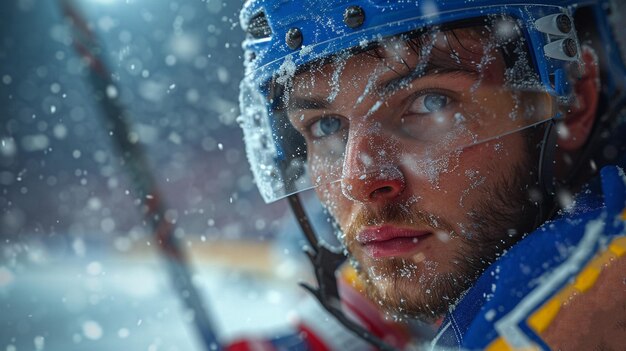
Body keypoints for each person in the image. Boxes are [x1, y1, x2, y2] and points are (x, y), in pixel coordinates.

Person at [236, 0, 626, 350]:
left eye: (430, 102)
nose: (357, 180)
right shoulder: (446, 239)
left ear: (572, 102)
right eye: (324, 126)